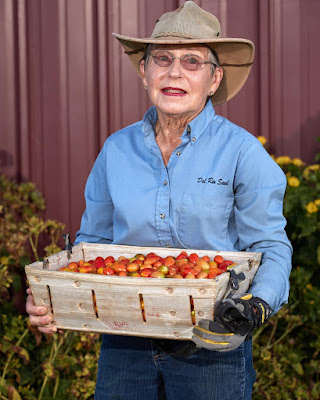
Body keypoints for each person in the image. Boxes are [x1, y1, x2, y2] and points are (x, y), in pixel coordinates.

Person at [26, 2, 292, 399]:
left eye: (192, 61)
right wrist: (55, 296)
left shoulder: (242, 153)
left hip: (211, 344)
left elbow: (270, 246)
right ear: (143, 71)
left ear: (215, 78)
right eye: (162, 59)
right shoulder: (116, 151)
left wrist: (255, 307)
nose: (174, 72)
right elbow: (90, 248)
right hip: (123, 342)